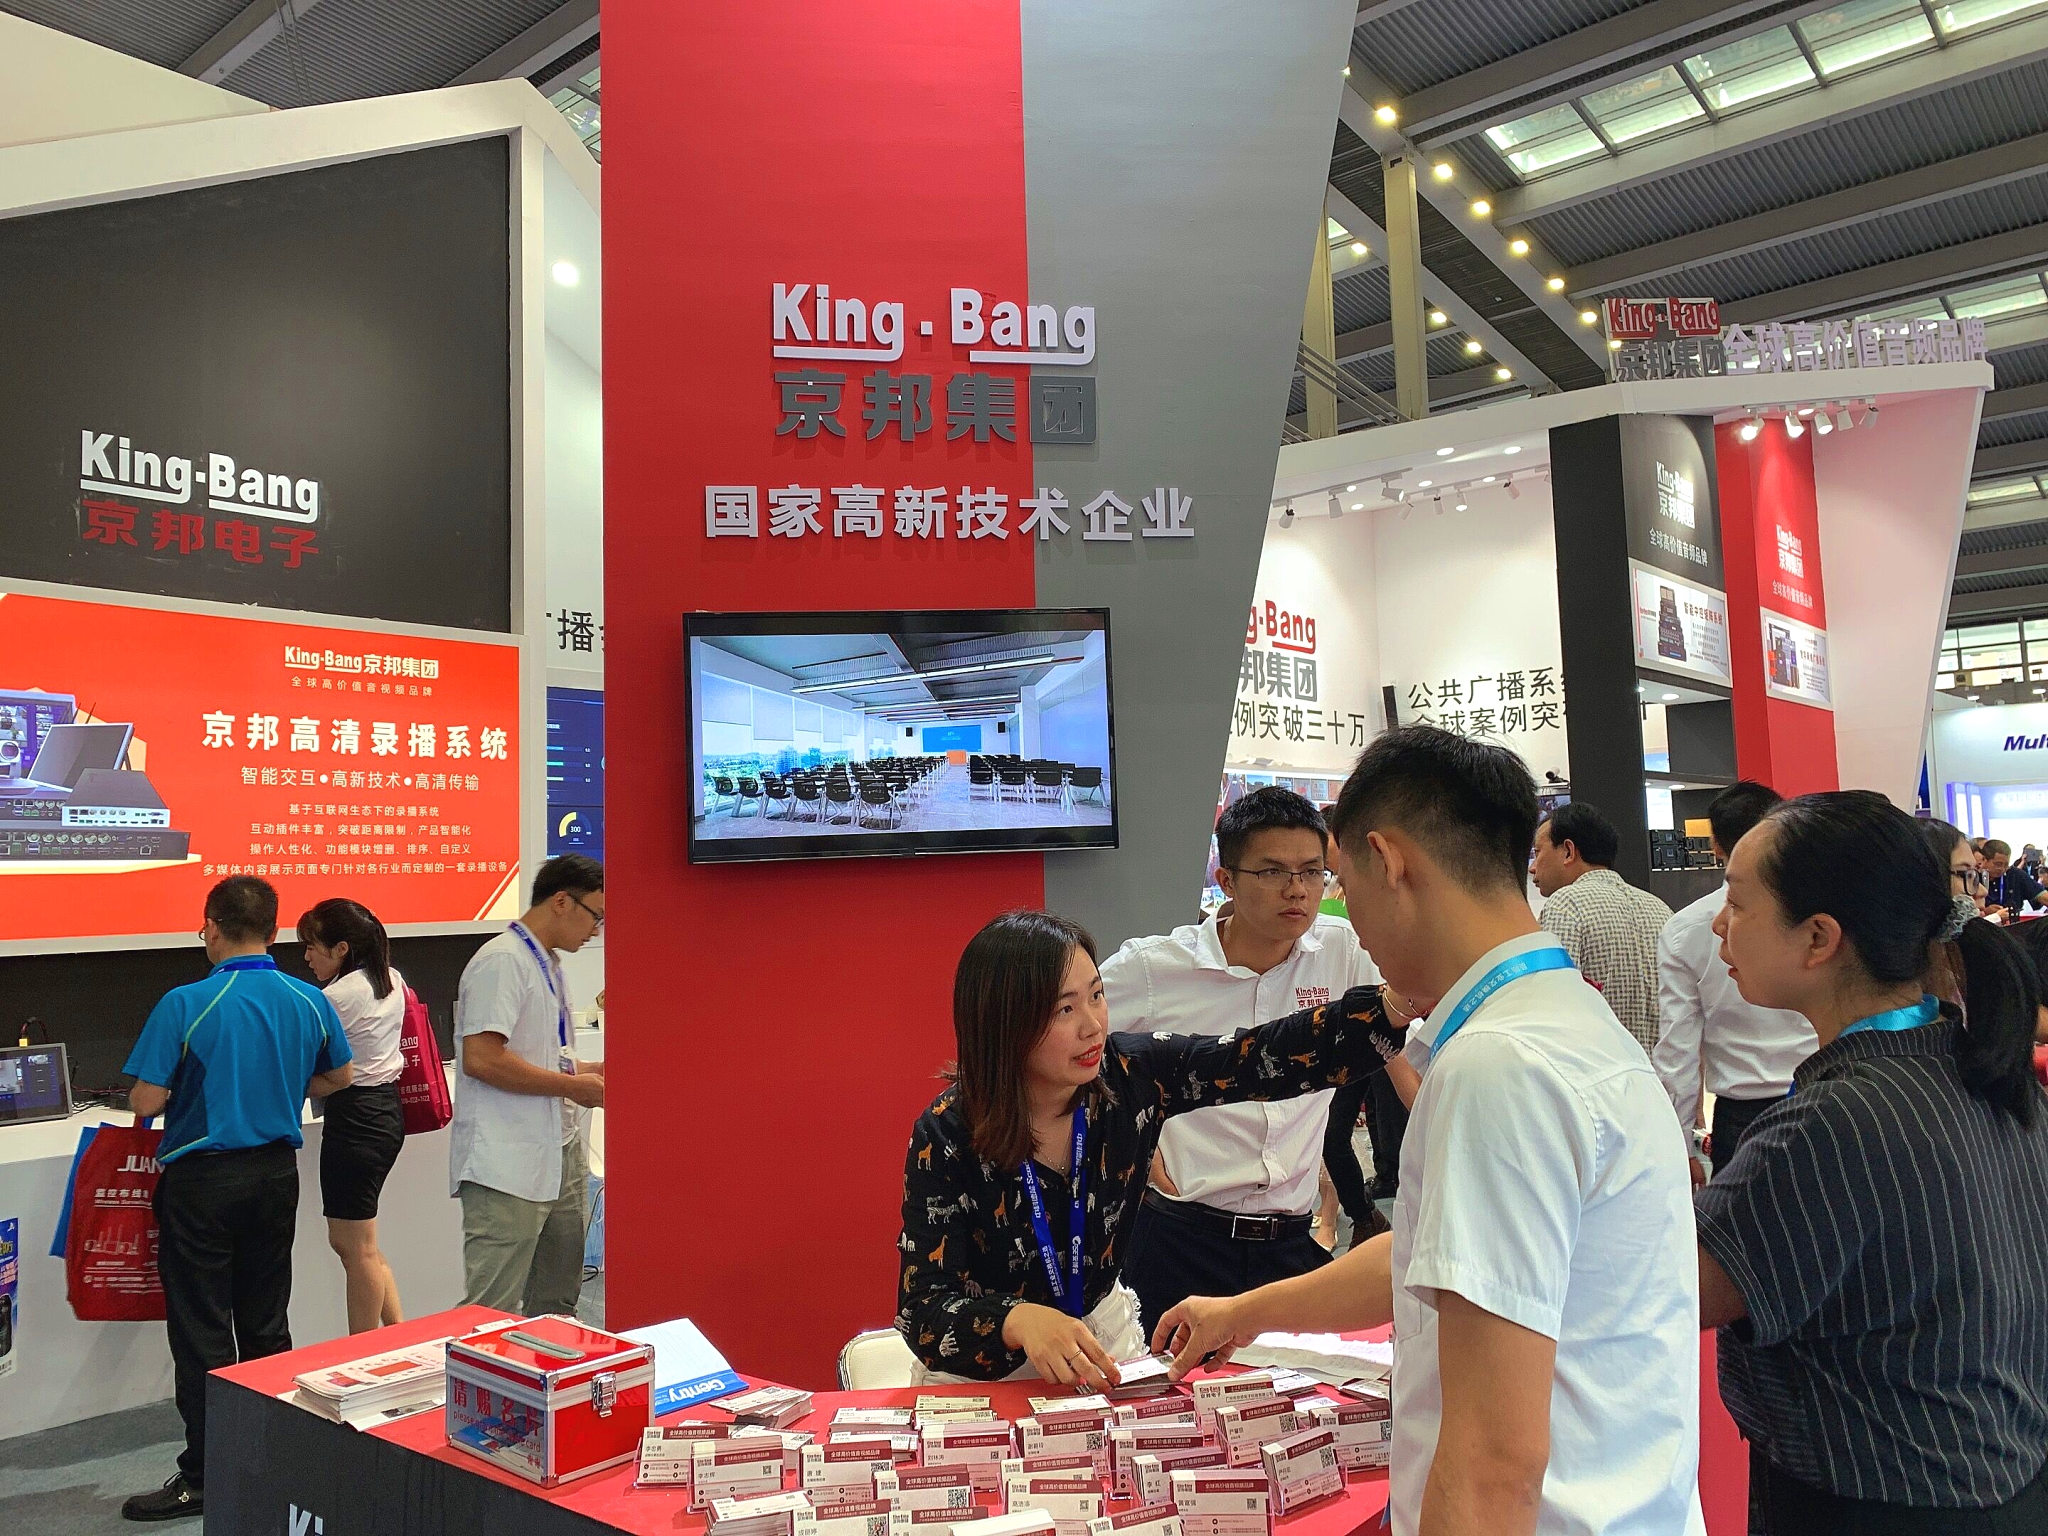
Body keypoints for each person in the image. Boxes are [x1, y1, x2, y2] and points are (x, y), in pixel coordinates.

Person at [1153, 727, 1705, 1535]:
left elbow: (1491, 1468)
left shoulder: (1499, 1067)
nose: (1343, 917)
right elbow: (1433, 1255)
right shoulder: (1567, 1022)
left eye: (1339, 882)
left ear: (1388, 861)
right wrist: (1247, 1312)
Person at [1696, 791, 2048, 1532]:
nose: (1720, 925)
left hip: (1883, 1502)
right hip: (2000, 1482)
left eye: (1738, 902)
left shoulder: (1833, 1121)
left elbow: (1676, 1287)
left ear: (1819, 938)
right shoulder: (1977, 1068)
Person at [895, 909, 1406, 1386]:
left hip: (1104, 1346)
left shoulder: (1131, 1076)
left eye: (1096, 996)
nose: (1093, 1024)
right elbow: (923, 1309)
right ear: (1004, 1022)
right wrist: (1017, 1321)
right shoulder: (948, 1132)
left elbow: (1256, 1058)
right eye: (1064, 1009)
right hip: (986, 1375)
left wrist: (1395, 1007)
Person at [1100, 788, 1394, 1331]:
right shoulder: (1153, 969)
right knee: (1160, 1382)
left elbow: (1410, 1032)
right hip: (1179, 1239)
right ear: (1227, 880)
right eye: (1272, 872)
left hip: (1290, 1243)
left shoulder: (1343, 951)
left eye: (1311, 871)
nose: (1297, 889)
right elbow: (1055, 1048)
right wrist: (1130, 1142)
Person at [120, 877, 354, 1522]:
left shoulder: (185, 1002)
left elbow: (146, 1100)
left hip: (202, 1180)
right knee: (265, 1321)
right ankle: (272, 1462)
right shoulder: (308, 998)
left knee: (201, 1330)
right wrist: (280, 1084)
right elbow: (341, 1075)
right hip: (276, 1175)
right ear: (275, 932)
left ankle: (205, 1475)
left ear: (211, 928)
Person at [450, 854, 606, 1317]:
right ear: (561, 902)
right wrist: (571, 1086)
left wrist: (589, 1069)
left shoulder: (549, 965)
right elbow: (482, 1059)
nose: (596, 931)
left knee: (557, 1302)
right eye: (595, 916)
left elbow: (543, 1055)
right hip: (507, 1160)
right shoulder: (502, 961)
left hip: (559, 1151)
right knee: (491, 1308)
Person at [1652, 781, 1817, 1181]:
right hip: (1823, 1097)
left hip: (1741, 1118)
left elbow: (1678, 1050)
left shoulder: (1686, 929)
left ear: (1715, 846)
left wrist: (1679, 1144)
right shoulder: (1816, 913)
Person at [298, 898, 408, 1333]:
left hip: (356, 1118)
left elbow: (318, 1065)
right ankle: (397, 1333)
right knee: (363, 1243)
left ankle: (363, 1348)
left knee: (352, 1246)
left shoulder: (336, 997)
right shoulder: (391, 979)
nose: (307, 956)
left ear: (341, 948)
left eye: (312, 946)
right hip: (383, 1111)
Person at [1531, 800, 1674, 1053]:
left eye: (1538, 852)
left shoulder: (1565, 905)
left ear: (1568, 851)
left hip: (1598, 1071)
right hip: (1659, 1074)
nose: (1532, 867)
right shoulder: (1660, 909)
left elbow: (1551, 1007)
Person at [1982, 838, 2046, 919]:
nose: (2002, 869)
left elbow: (2042, 896)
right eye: (1998, 864)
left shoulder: (2015, 874)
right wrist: (1984, 912)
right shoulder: (1974, 877)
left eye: (2006, 865)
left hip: (2013, 923)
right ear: (1984, 860)